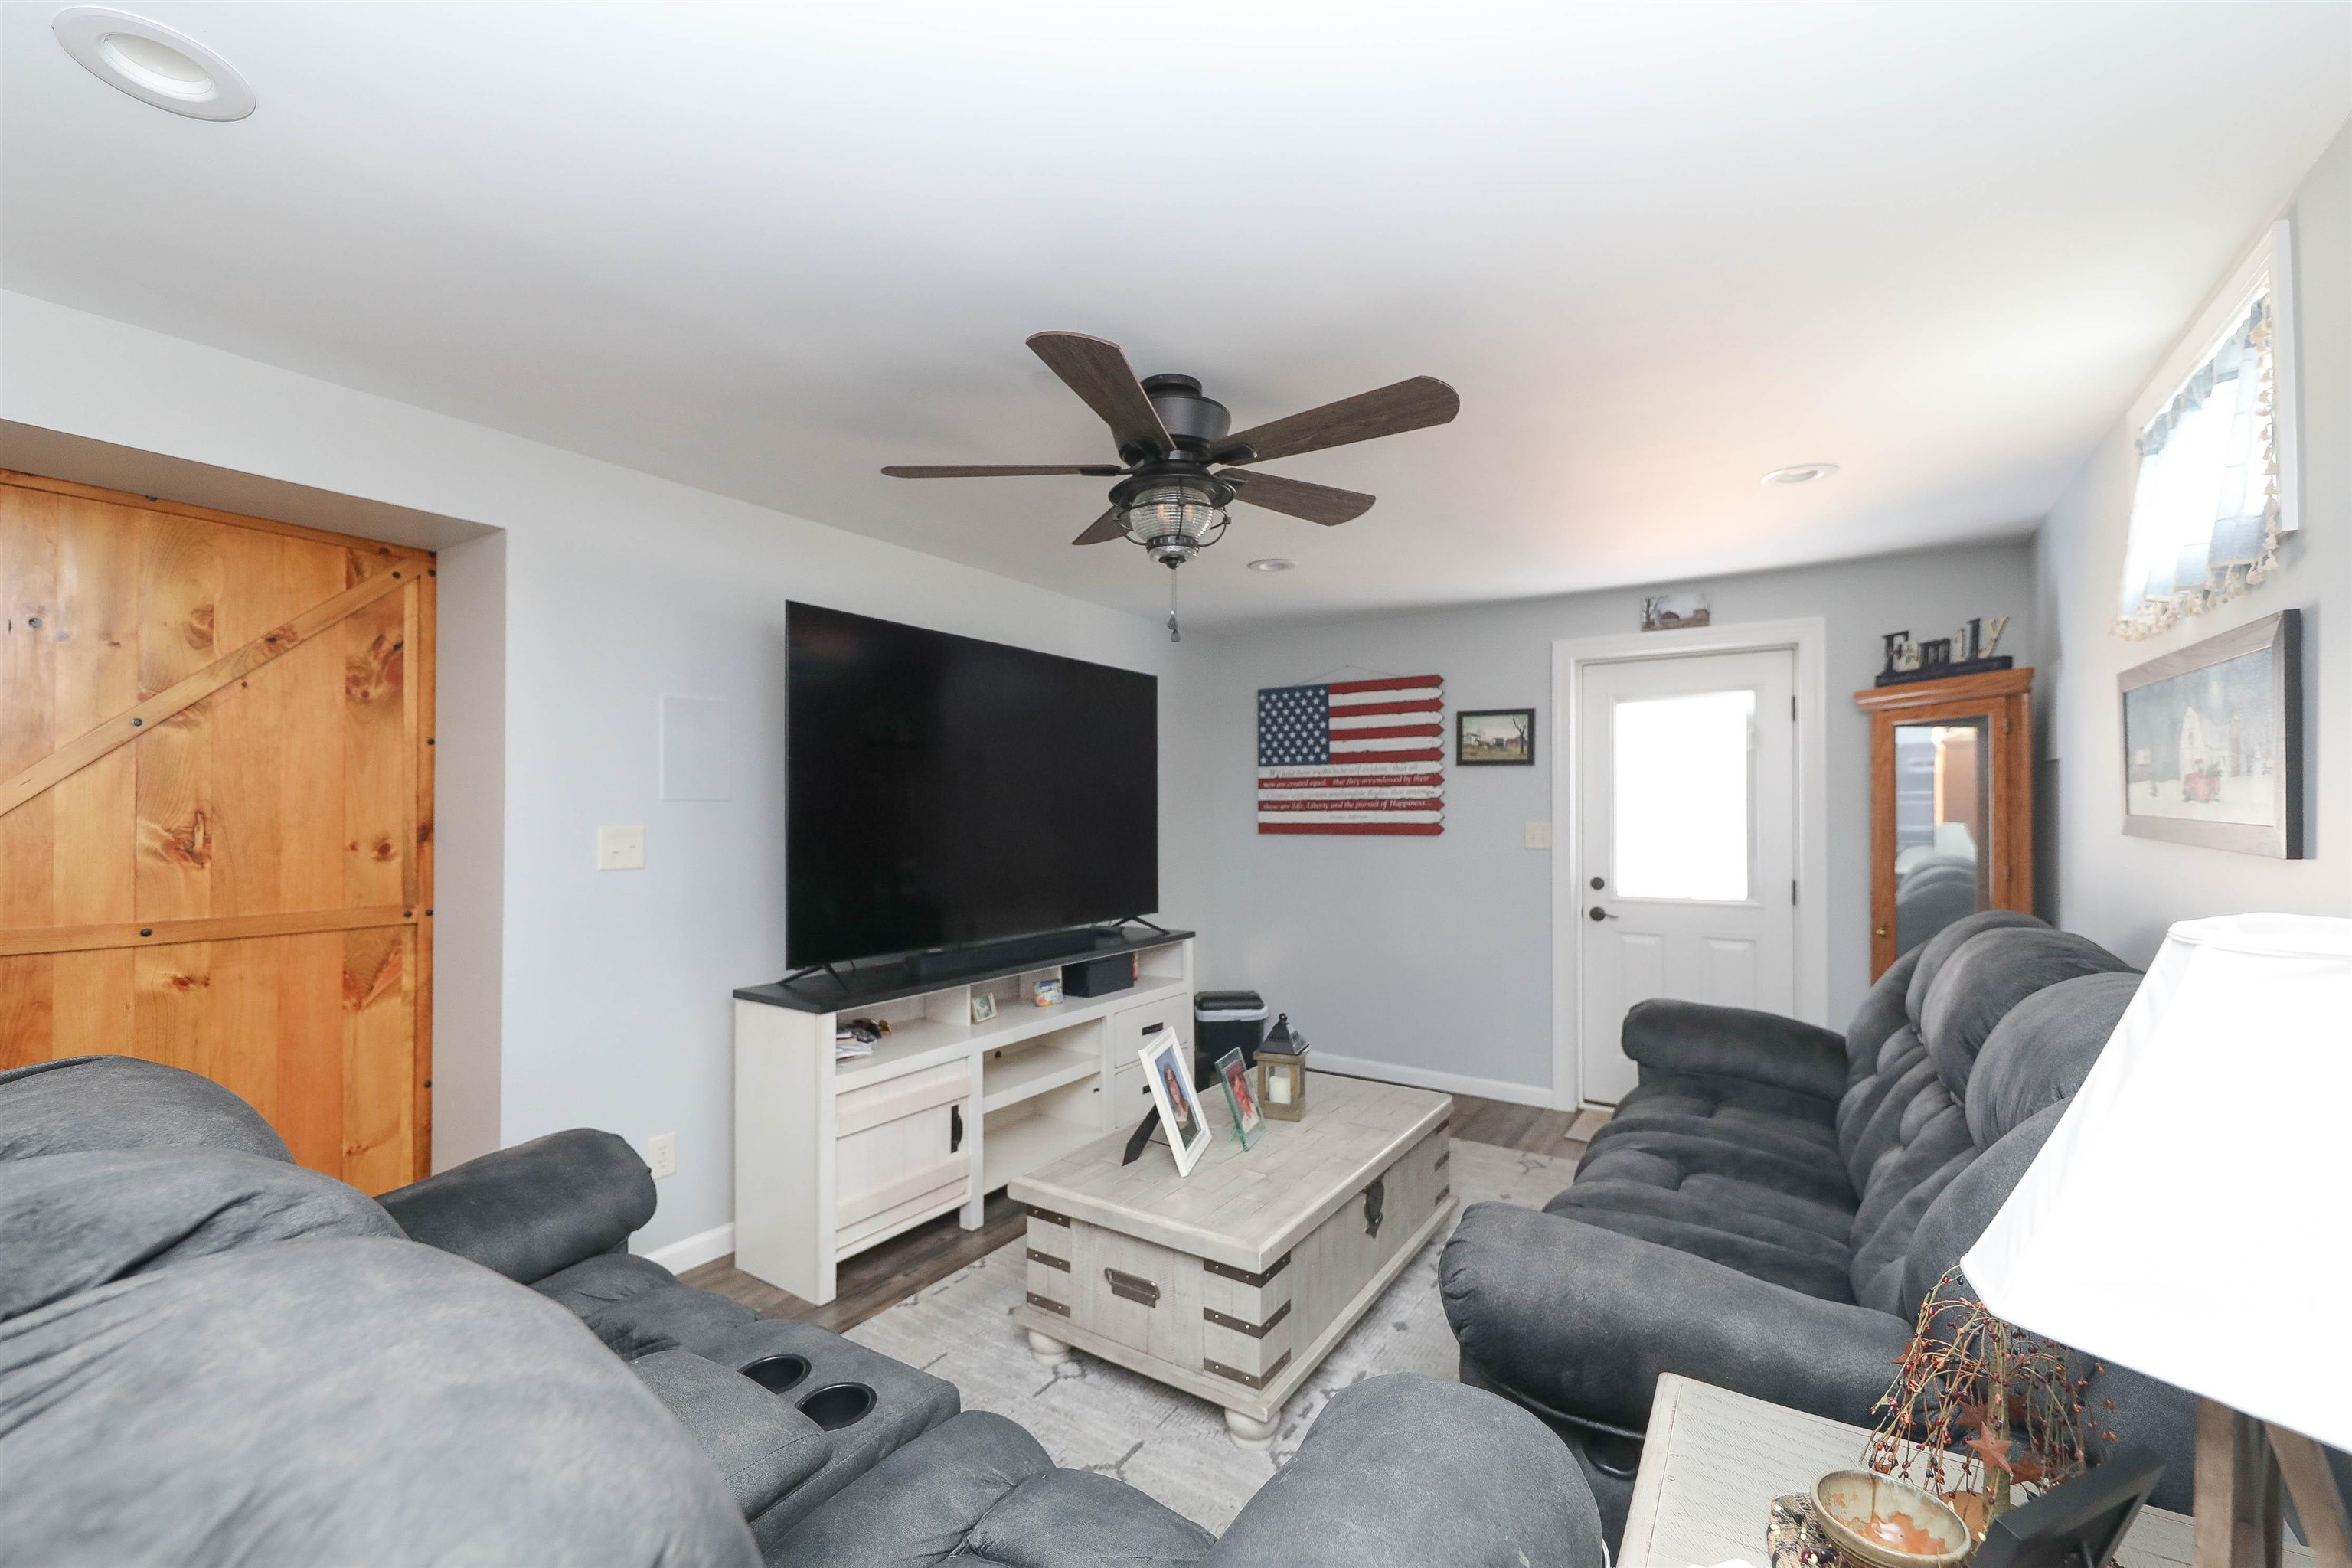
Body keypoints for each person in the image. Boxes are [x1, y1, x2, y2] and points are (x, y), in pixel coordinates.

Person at [1160, 1059, 1195, 1138]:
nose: (1174, 1087)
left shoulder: (1188, 1104)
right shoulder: (1172, 1114)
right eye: (1170, 1084)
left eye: (1174, 1081)